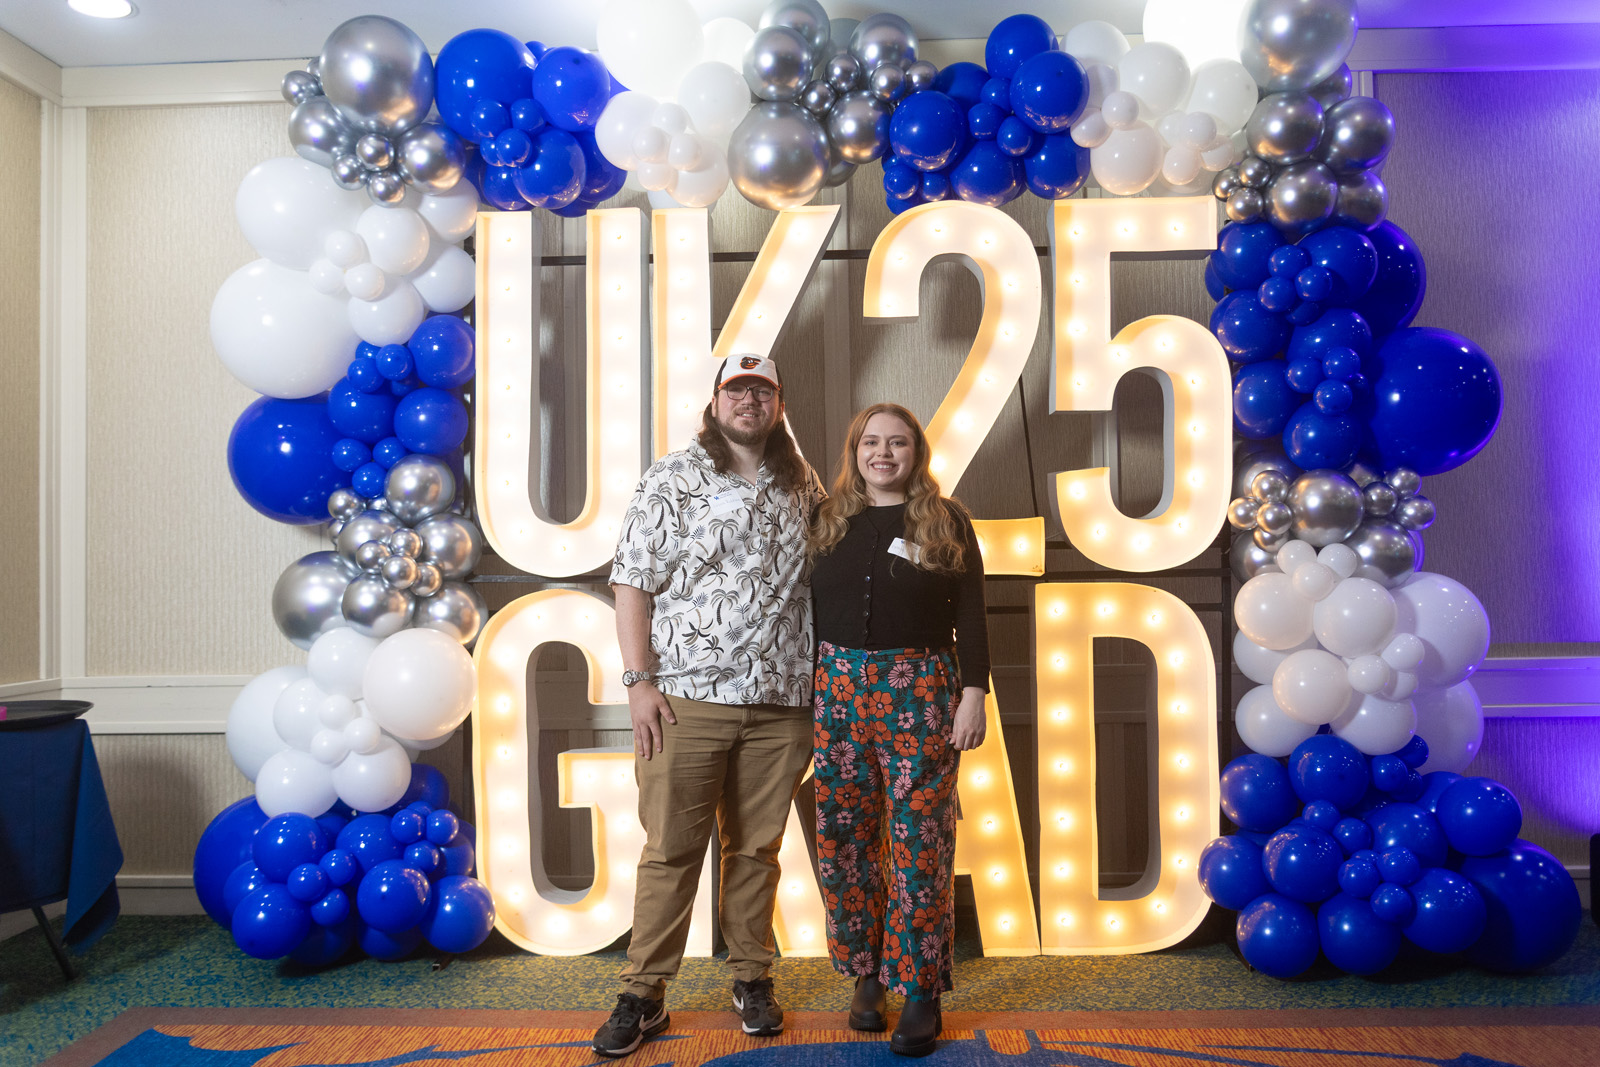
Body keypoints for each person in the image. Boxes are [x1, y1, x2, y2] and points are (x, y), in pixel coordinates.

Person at [593, 353, 825, 1059]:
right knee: (670, 849)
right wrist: (637, 682)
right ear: (716, 400)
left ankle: (751, 977)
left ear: (779, 404)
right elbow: (632, 582)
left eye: (763, 390)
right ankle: (644, 992)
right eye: (737, 389)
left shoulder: (803, 482)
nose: (749, 400)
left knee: (757, 850)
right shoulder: (673, 476)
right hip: (685, 699)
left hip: (782, 701)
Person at [807, 402, 990, 1058]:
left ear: (917, 453)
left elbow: (972, 610)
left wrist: (975, 692)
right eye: (871, 442)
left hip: (921, 690)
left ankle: (920, 989)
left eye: (897, 443)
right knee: (843, 837)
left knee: (920, 843)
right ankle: (867, 973)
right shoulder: (826, 519)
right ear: (854, 451)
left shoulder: (947, 519)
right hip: (836, 691)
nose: (883, 453)